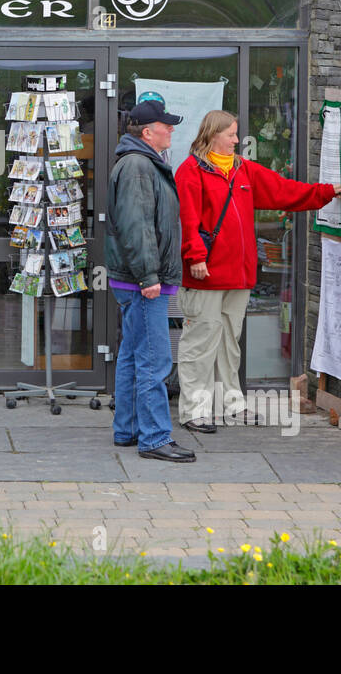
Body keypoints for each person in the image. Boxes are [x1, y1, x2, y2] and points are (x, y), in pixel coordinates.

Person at [174, 110, 341, 431]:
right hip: (204, 274)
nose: (237, 141)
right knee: (200, 342)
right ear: (212, 135)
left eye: (236, 134)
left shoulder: (243, 170)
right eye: (231, 135)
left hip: (237, 274)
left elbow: (283, 191)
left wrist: (324, 193)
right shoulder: (190, 171)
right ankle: (195, 411)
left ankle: (231, 405)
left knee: (229, 342)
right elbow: (187, 219)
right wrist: (195, 256)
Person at [106, 100, 194, 462]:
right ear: (147, 132)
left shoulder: (141, 163)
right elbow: (136, 226)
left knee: (130, 354)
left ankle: (126, 430)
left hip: (138, 279)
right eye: (166, 126)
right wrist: (148, 277)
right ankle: (156, 438)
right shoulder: (139, 166)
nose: (171, 130)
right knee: (154, 360)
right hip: (143, 281)